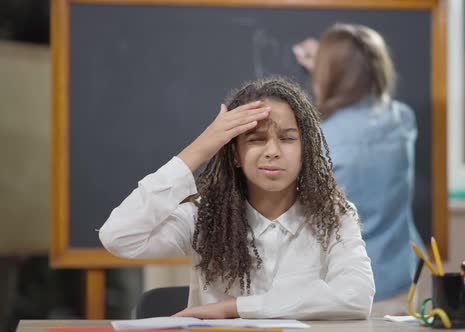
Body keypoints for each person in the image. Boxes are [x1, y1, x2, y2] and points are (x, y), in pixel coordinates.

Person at [99, 77, 375, 320]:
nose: (273, 151)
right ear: (234, 154)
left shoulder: (334, 213)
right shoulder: (204, 216)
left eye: (288, 139)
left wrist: (233, 308)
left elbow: (356, 297)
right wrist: (200, 149)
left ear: (307, 151)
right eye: (256, 139)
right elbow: (119, 237)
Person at [293, 24, 424, 315]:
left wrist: (326, 68)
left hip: (345, 286)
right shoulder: (402, 120)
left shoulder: (319, 137)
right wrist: (335, 65)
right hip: (404, 279)